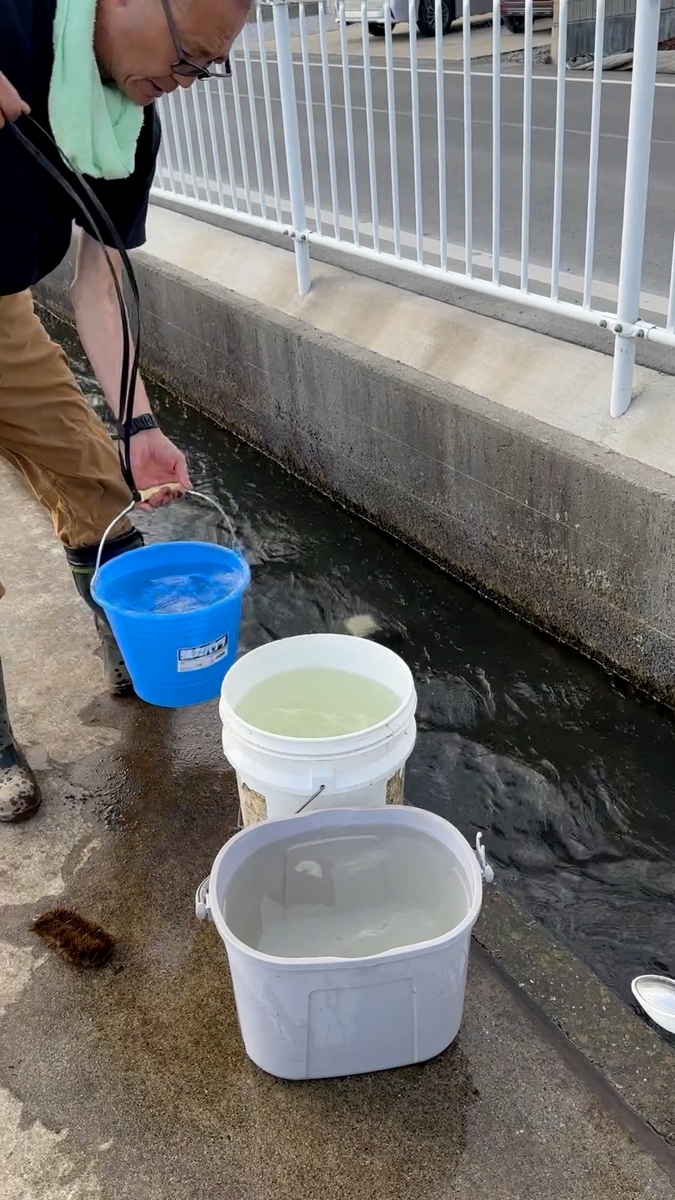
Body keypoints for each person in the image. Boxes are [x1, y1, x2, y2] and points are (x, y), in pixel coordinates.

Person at [0, 0, 250, 823]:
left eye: (205, 69)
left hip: (3, 310)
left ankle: (135, 647)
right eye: (188, 56)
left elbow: (99, 287)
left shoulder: (127, 128)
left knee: (100, 488)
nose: (183, 83)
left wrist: (139, 426)